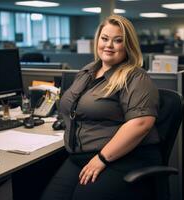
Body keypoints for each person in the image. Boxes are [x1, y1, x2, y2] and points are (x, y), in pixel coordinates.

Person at [40, 14, 162, 200]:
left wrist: (102, 158)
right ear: (97, 40)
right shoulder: (87, 71)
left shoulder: (135, 77)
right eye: (104, 38)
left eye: (117, 40)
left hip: (121, 157)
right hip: (80, 157)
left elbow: (141, 123)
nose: (109, 45)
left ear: (128, 45)